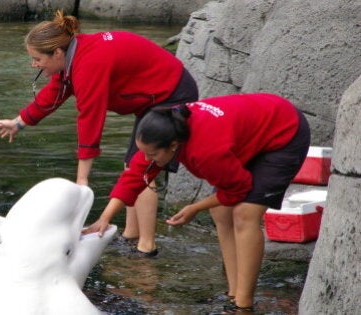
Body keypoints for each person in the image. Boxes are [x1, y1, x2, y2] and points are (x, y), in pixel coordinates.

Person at [0, 10, 198, 257]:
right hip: (152, 99)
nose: (34, 64)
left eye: (37, 59)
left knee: (143, 170)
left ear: (57, 53)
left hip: (172, 93)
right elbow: (55, 94)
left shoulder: (89, 63)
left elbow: (90, 117)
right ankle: (130, 235)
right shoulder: (73, 55)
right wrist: (19, 122)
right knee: (131, 166)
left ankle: (146, 249)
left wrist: (82, 179)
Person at [83, 93, 310, 312]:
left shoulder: (205, 151)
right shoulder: (167, 130)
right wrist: (105, 218)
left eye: (152, 155)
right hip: (251, 130)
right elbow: (135, 175)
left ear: (173, 145)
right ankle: (233, 291)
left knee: (245, 214)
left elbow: (238, 189)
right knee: (221, 213)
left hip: (283, 132)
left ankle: (242, 305)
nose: (148, 159)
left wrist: (194, 207)